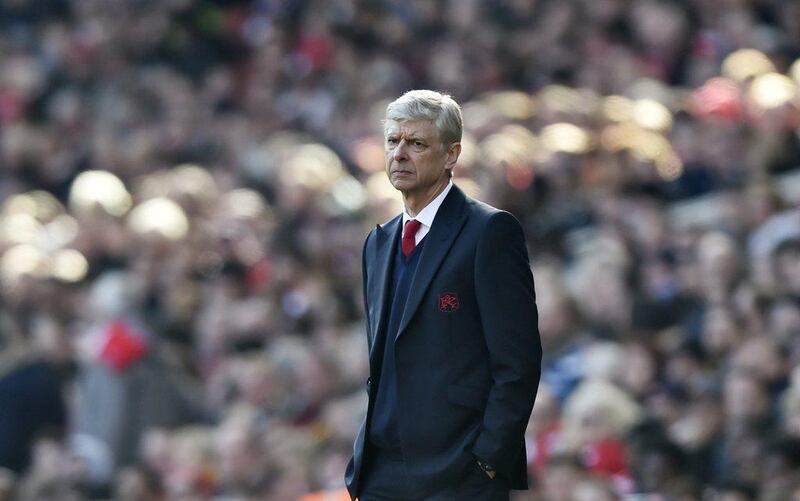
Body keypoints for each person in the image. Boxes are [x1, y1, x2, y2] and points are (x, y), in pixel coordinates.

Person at [345, 90, 542, 500]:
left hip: (458, 476)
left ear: (452, 155)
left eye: (416, 143)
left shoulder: (489, 232)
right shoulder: (377, 243)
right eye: (392, 141)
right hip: (382, 473)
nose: (400, 154)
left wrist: (487, 459)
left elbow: (518, 364)